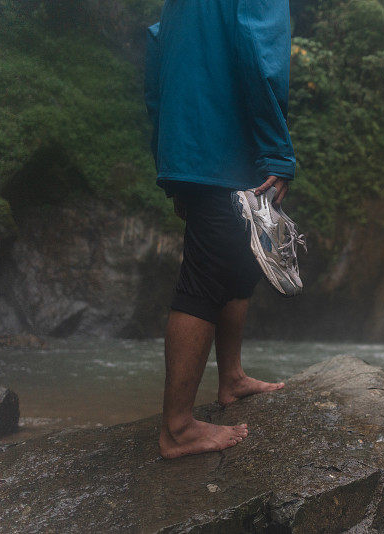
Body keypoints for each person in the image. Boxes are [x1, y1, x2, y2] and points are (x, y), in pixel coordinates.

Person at [144, 0, 295, 459]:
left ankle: (230, 377)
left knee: (240, 256)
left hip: (189, 140)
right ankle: (177, 429)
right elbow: (259, 53)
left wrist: (168, 156)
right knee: (207, 276)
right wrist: (277, 149)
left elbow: (157, 49)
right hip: (223, 143)